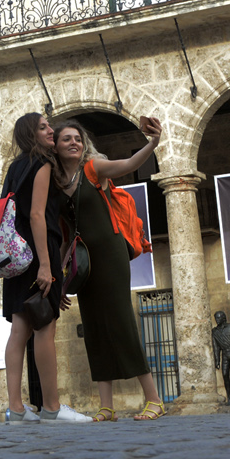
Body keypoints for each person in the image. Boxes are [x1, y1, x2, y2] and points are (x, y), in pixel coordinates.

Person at [53, 118, 162, 422]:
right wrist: (61, 278)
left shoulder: (93, 168)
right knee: (94, 329)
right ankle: (107, 407)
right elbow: (65, 237)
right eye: (66, 139)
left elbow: (128, 164)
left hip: (110, 255)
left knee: (121, 322)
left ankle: (154, 400)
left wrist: (153, 143)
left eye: (78, 138)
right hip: (83, 263)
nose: (74, 143)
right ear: (56, 147)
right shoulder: (57, 186)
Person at [0, 113, 80, 423]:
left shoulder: (15, 167)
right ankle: (52, 408)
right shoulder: (42, 163)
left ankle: (16, 409)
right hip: (36, 253)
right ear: (31, 134)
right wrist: (45, 266)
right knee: (45, 328)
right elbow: (37, 215)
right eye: (44, 127)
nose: (51, 130)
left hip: (15, 255)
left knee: (19, 330)